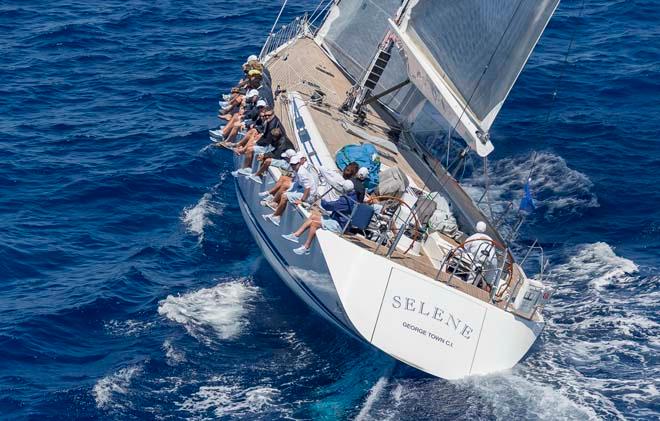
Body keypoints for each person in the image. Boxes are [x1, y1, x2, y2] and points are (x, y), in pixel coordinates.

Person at [281, 179, 357, 255]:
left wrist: (322, 200)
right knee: (313, 216)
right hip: (336, 219)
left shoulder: (345, 200)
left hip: (339, 225)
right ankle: (296, 235)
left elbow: (329, 206)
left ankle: (306, 247)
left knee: (314, 224)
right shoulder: (353, 196)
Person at [263, 153, 318, 226]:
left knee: (284, 196)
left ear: (299, 163)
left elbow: (308, 189)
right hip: (304, 191)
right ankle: (275, 208)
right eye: (292, 164)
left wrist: (302, 200)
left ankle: (276, 216)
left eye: (295, 164)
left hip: (309, 196)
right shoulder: (298, 170)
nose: (293, 166)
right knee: (285, 192)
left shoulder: (302, 173)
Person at [463, 221, 498, 290]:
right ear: (485, 229)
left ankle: (469, 287)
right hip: (491, 259)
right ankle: (487, 287)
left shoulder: (474, 236)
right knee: (493, 270)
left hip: (478, 258)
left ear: (476, 228)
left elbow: (464, 247)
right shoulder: (490, 239)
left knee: (476, 267)